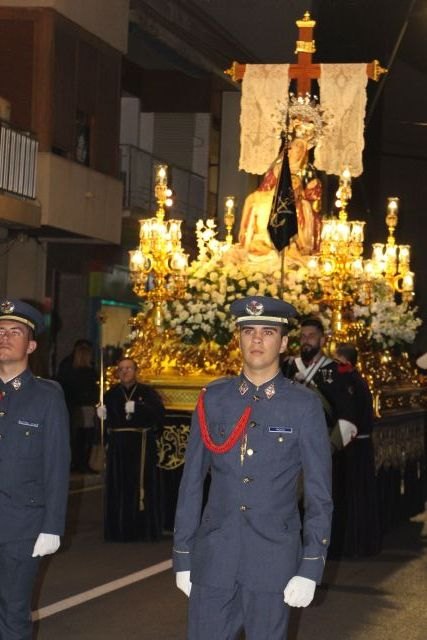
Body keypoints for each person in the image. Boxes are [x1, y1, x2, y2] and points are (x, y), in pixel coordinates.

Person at [173, 296, 332, 640]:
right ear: (239, 338)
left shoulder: (303, 406)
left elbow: (320, 495)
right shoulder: (214, 399)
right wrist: (183, 554)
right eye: (248, 331)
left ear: (284, 342)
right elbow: (191, 483)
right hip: (215, 559)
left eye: (268, 332)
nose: (257, 340)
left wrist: (310, 566)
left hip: (273, 561)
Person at [0, 298, 70, 640]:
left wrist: (52, 525)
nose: (5, 337)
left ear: (31, 344)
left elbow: (57, 464)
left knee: (13, 612)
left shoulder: (46, 396)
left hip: (21, 525)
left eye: (15, 331)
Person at [100, 358, 165, 542]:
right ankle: (118, 530)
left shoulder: (147, 392)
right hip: (118, 447)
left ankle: (143, 530)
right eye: (121, 369)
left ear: (136, 371)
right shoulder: (110, 394)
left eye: (128, 368)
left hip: (141, 445)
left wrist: (140, 408)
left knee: (141, 486)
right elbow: (105, 427)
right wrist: (101, 417)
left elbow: (159, 415)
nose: (125, 372)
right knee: (118, 486)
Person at [333, 343, 381, 556]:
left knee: (353, 496)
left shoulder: (350, 381)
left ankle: (354, 544)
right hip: (361, 447)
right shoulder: (358, 380)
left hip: (354, 449)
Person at [57, 339, 99, 473]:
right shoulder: (85, 370)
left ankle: (77, 462)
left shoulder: (68, 366)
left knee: (79, 436)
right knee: (83, 436)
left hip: (75, 406)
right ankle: (80, 462)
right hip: (79, 406)